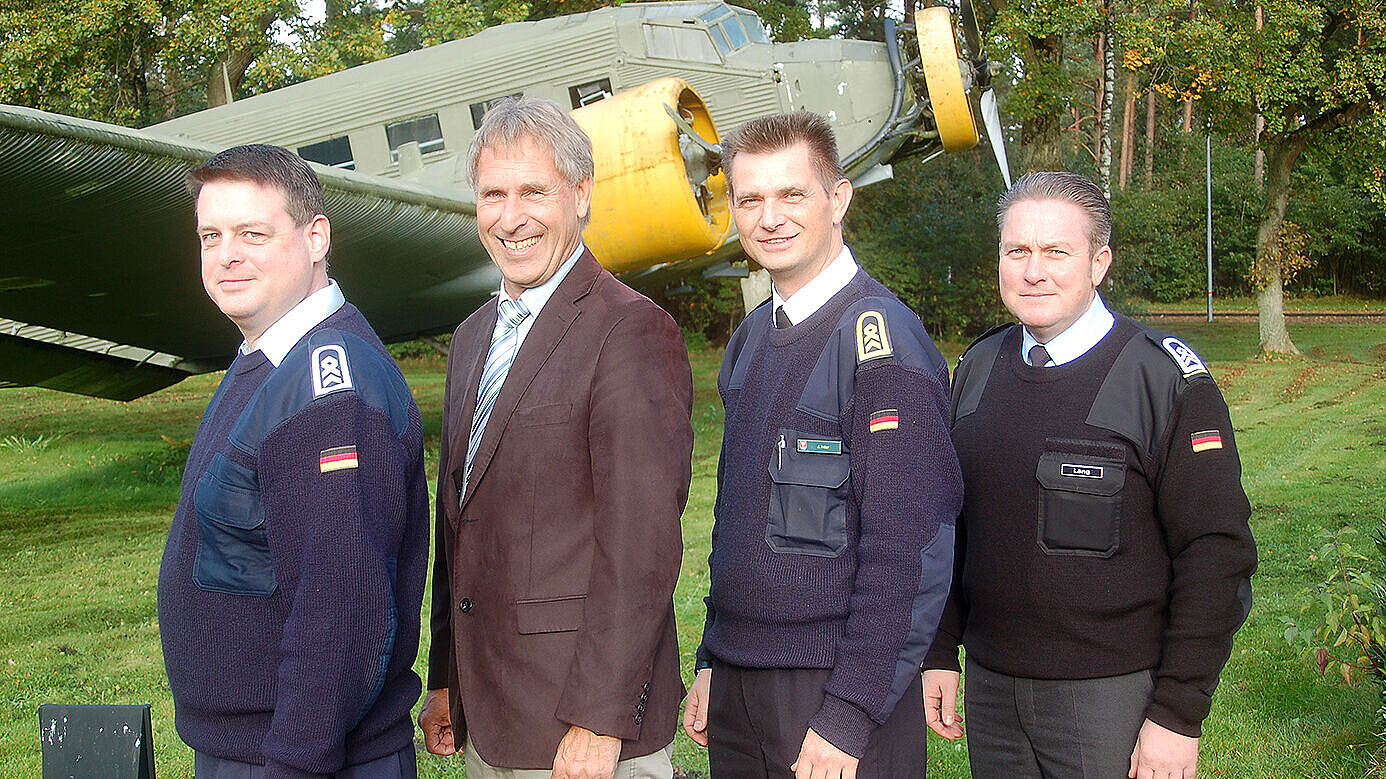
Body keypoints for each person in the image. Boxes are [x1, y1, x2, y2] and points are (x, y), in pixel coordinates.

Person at [922, 171, 1258, 779]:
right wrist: (941, 649)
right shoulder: (977, 369)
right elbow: (951, 527)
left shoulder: (1162, 380)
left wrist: (1178, 713)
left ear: (1099, 263)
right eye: (1017, 251)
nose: (1034, 271)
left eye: (1057, 252)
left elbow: (1216, 552)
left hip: (1112, 697)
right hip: (993, 693)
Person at [416, 96, 693, 779]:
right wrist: (446, 677)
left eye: (534, 192)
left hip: (584, 731)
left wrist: (601, 717)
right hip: (491, 718)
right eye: (493, 195)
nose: (511, 218)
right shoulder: (472, 338)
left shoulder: (630, 329)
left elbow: (642, 547)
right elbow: (459, 525)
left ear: (581, 194)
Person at [682, 111, 963, 778]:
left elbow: (909, 550)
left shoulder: (882, 346)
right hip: (740, 685)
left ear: (838, 199)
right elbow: (738, 520)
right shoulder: (751, 339)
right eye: (750, 199)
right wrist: (713, 658)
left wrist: (850, 713)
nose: (769, 218)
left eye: (792, 194)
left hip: (835, 692)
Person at [157, 144, 430, 778]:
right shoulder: (267, 361)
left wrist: (294, 765)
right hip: (252, 749)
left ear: (315, 238)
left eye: (253, 233)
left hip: (300, 758)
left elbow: (342, 610)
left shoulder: (329, 387)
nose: (227, 255)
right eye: (211, 236)